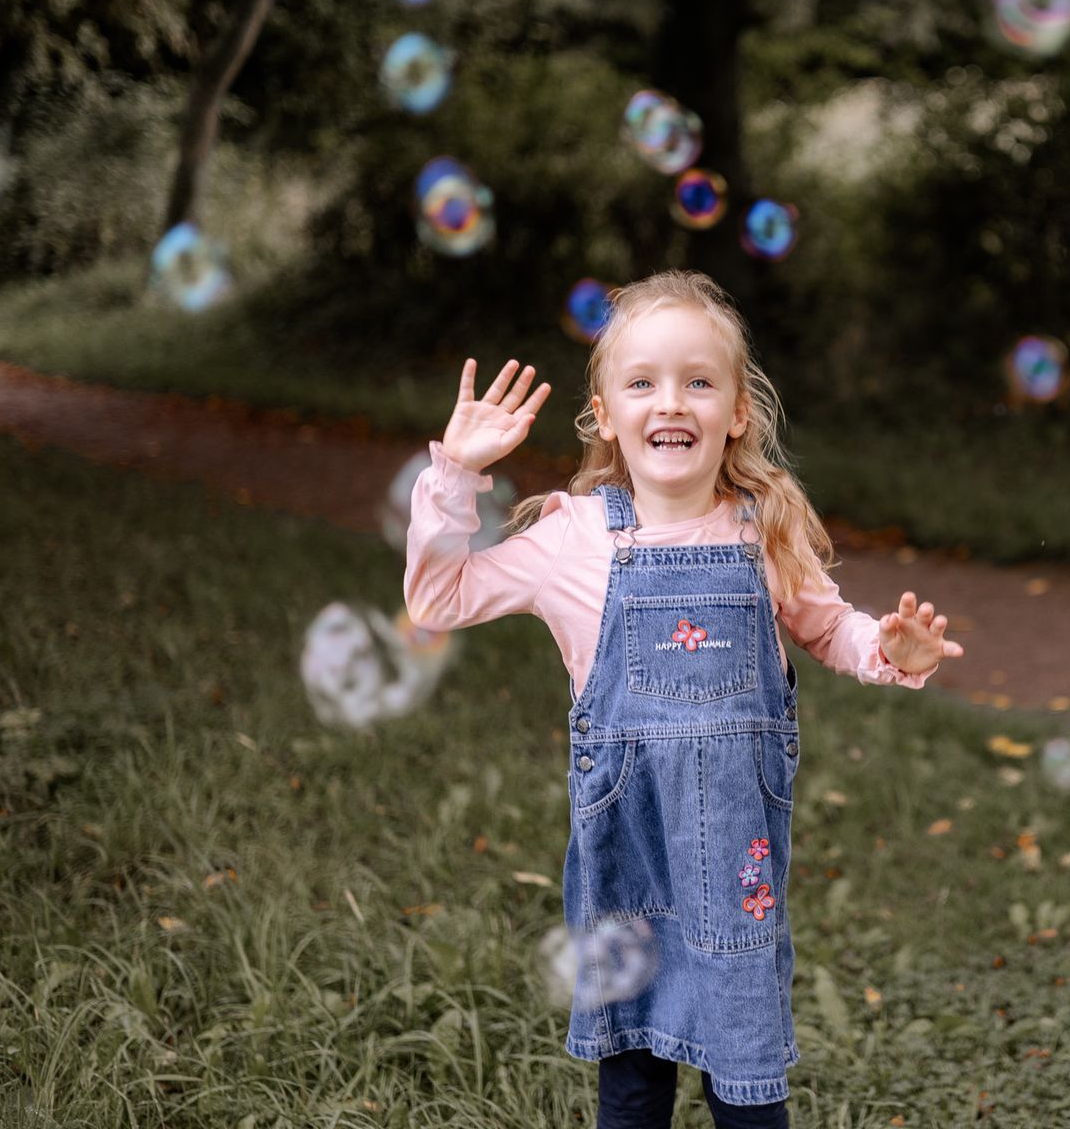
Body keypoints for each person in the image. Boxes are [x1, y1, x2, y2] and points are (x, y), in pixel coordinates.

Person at [403, 268, 965, 1127]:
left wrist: (888, 650)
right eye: (644, 383)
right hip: (627, 869)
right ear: (604, 414)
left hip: (734, 875)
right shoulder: (576, 538)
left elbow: (829, 628)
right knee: (633, 1088)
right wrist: (454, 475)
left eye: (698, 381)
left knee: (748, 1084)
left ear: (737, 410)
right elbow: (437, 599)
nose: (672, 402)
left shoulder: (762, 526)